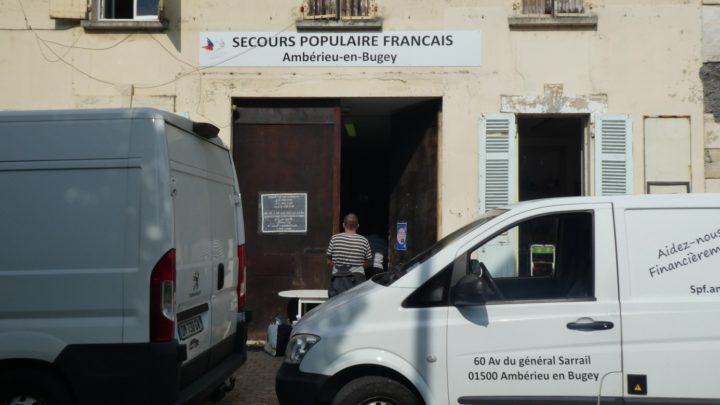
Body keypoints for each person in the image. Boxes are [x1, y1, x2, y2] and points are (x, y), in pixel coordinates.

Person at [326, 213, 372, 297]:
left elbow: (329, 260)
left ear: (343, 225)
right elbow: (366, 263)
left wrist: (335, 263)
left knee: (336, 305)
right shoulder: (364, 241)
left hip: (337, 279)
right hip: (357, 280)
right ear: (358, 226)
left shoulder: (335, 238)